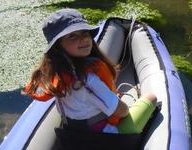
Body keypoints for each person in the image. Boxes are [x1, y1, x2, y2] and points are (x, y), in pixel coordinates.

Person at [22, 8, 156, 134]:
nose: (84, 39)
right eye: (72, 36)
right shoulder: (88, 80)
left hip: (75, 134)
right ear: (58, 46)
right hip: (104, 137)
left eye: (85, 32)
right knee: (151, 98)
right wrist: (118, 101)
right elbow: (122, 112)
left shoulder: (57, 74)